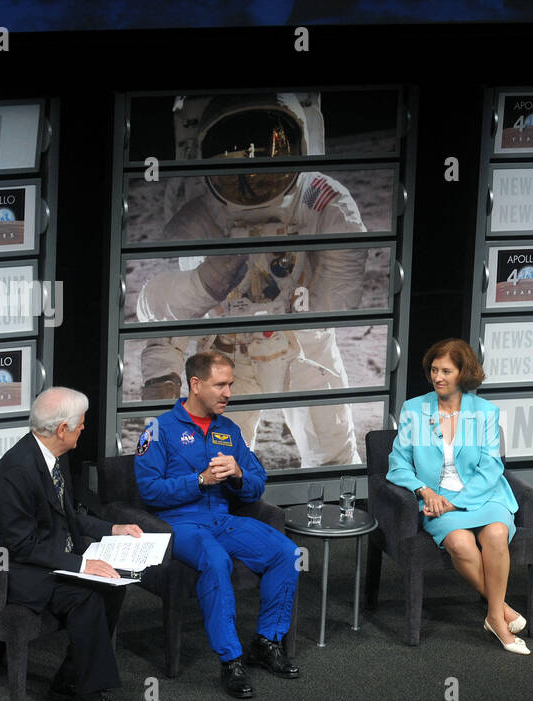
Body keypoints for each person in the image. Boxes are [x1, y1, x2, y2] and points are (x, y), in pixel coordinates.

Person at [135, 93, 364, 466]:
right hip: (226, 352)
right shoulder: (198, 213)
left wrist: (300, 315)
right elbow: (162, 307)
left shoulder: (323, 202)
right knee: (214, 467)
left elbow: (338, 297)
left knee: (333, 459)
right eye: (233, 154)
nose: (252, 172)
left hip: (300, 347)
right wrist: (162, 374)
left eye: (269, 148)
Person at [0, 387, 140, 701]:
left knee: (112, 584)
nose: (84, 429)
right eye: (81, 424)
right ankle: (90, 699)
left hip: (39, 549)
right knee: (87, 594)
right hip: (6, 567)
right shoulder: (18, 470)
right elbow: (19, 545)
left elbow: (69, 512)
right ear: (62, 428)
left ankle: (69, 680)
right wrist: (79, 565)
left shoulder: (54, 454)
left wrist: (112, 529)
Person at [134, 350, 300, 698]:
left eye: (230, 384)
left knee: (286, 552)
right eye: (220, 385)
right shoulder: (159, 429)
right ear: (195, 385)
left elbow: (257, 482)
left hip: (224, 520)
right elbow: (149, 492)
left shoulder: (229, 430)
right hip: (180, 525)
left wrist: (238, 474)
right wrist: (199, 481)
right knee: (215, 561)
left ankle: (266, 641)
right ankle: (231, 660)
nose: (228, 393)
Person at [386, 339, 527, 654]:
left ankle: (494, 615)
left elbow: (491, 468)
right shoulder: (414, 410)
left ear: (463, 373)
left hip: (485, 494)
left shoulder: (485, 412)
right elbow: (397, 465)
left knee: (497, 532)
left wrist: (456, 501)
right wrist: (424, 490)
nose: (438, 377)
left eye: (446, 371)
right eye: (434, 370)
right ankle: (500, 611)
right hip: (436, 498)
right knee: (461, 544)